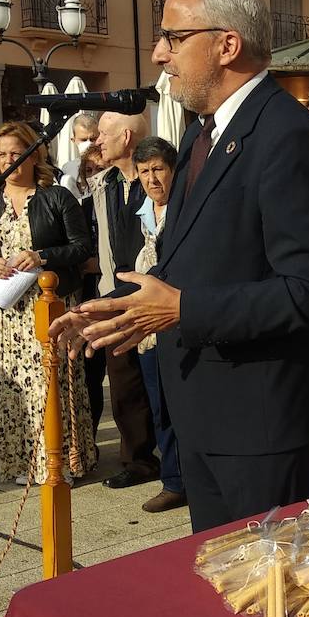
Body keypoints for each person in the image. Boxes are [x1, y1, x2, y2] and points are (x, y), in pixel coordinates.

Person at [50, 0, 309, 532]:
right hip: (202, 414)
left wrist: (183, 311)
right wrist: (114, 306)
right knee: (217, 587)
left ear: (227, 44)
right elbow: (181, 262)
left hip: (259, 425)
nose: (160, 53)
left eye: (173, 38)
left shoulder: (286, 134)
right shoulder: (199, 134)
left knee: (264, 597)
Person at [0, 121, 97, 484]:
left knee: (51, 383)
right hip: (7, 312)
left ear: (33, 155)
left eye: (17, 154)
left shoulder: (56, 197)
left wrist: (41, 256)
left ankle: (60, 461)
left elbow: (82, 247)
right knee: (14, 387)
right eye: (3, 154)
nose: (10, 160)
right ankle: (21, 462)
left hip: (49, 303)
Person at [91, 110, 163, 490]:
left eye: (103, 134)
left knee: (158, 381)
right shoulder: (104, 184)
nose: (96, 141)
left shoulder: (156, 179)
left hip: (153, 295)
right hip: (114, 293)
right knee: (123, 383)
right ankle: (137, 460)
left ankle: (174, 463)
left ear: (127, 137)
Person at [129, 136, 187, 514]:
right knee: (159, 405)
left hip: (180, 319)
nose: (152, 179)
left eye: (158, 169)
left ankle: (192, 476)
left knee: (185, 405)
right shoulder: (136, 212)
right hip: (145, 326)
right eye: (144, 171)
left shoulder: (184, 210)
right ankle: (173, 481)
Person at [75, 146, 108, 433]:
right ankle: (90, 438)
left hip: (118, 293)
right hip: (88, 297)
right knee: (90, 374)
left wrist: (102, 262)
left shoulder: (126, 201)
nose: (95, 176)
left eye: (101, 169)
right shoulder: (81, 209)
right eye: (90, 171)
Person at [58, 112, 99, 200]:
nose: (89, 144)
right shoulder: (68, 168)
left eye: (93, 139)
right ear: (74, 140)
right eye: (83, 140)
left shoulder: (109, 163)